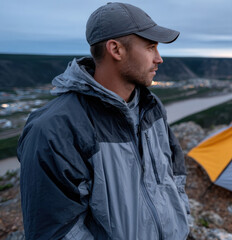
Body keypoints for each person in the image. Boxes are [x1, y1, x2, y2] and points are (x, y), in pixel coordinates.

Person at [17, 2, 189, 239]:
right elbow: (55, 231)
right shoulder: (54, 130)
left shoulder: (151, 108)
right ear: (116, 50)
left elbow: (174, 175)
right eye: (150, 47)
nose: (159, 59)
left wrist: (179, 223)